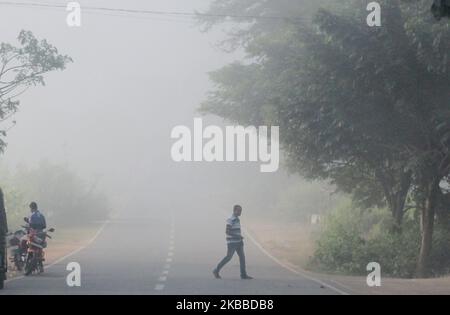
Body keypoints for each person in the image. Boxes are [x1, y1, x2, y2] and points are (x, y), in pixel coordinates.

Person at [213, 205, 253, 280]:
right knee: (228, 257)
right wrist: (237, 236)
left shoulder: (237, 219)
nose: (240, 212)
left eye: (241, 211)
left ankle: (243, 275)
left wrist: (239, 238)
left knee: (242, 258)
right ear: (234, 210)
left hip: (239, 242)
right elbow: (227, 231)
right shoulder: (230, 219)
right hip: (232, 242)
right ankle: (216, 270)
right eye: (238, 211)